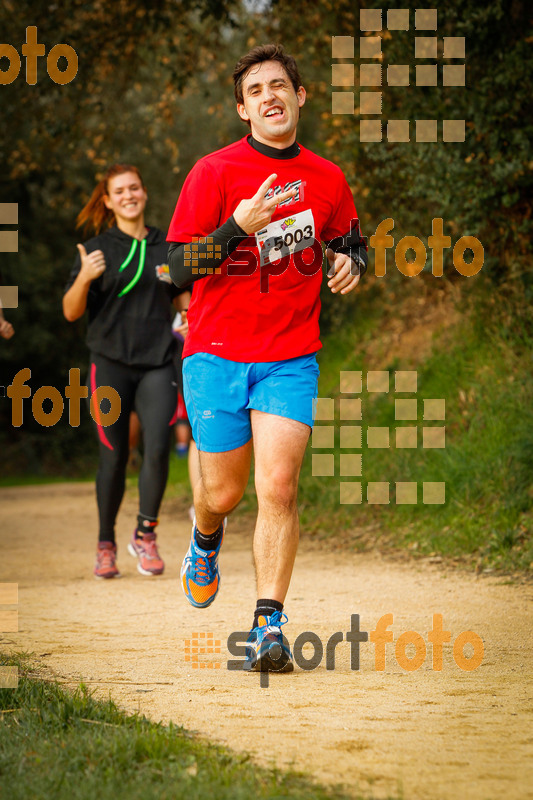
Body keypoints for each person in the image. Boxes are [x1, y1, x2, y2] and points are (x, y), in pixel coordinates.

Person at [167, 44, 367, 673]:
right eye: (255, 90)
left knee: (278, 486)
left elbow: (351, 241)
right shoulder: (213, 172)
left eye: (279, 85)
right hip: (216, 355)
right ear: (241, 109)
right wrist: (236, 226)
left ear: (300, 96)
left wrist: (351, 261)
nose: (269, 96)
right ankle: (205, 537)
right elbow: (172, 269)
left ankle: (268, 627)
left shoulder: (328, 178)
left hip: (289, 356)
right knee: (223, 493)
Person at [64, 164, 187, 579]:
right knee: (113, 458)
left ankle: (146, 535)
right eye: (120, 190)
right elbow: (70, 311)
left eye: (135, 187)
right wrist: (83, 278)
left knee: (157, 448)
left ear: (144, 192)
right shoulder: (96, 249)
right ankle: (105, 544)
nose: (129, 195)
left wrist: (188, 314)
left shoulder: (165, 247)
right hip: (110, 365)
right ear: (108, 200)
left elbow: (180, 296)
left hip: (157, 362)